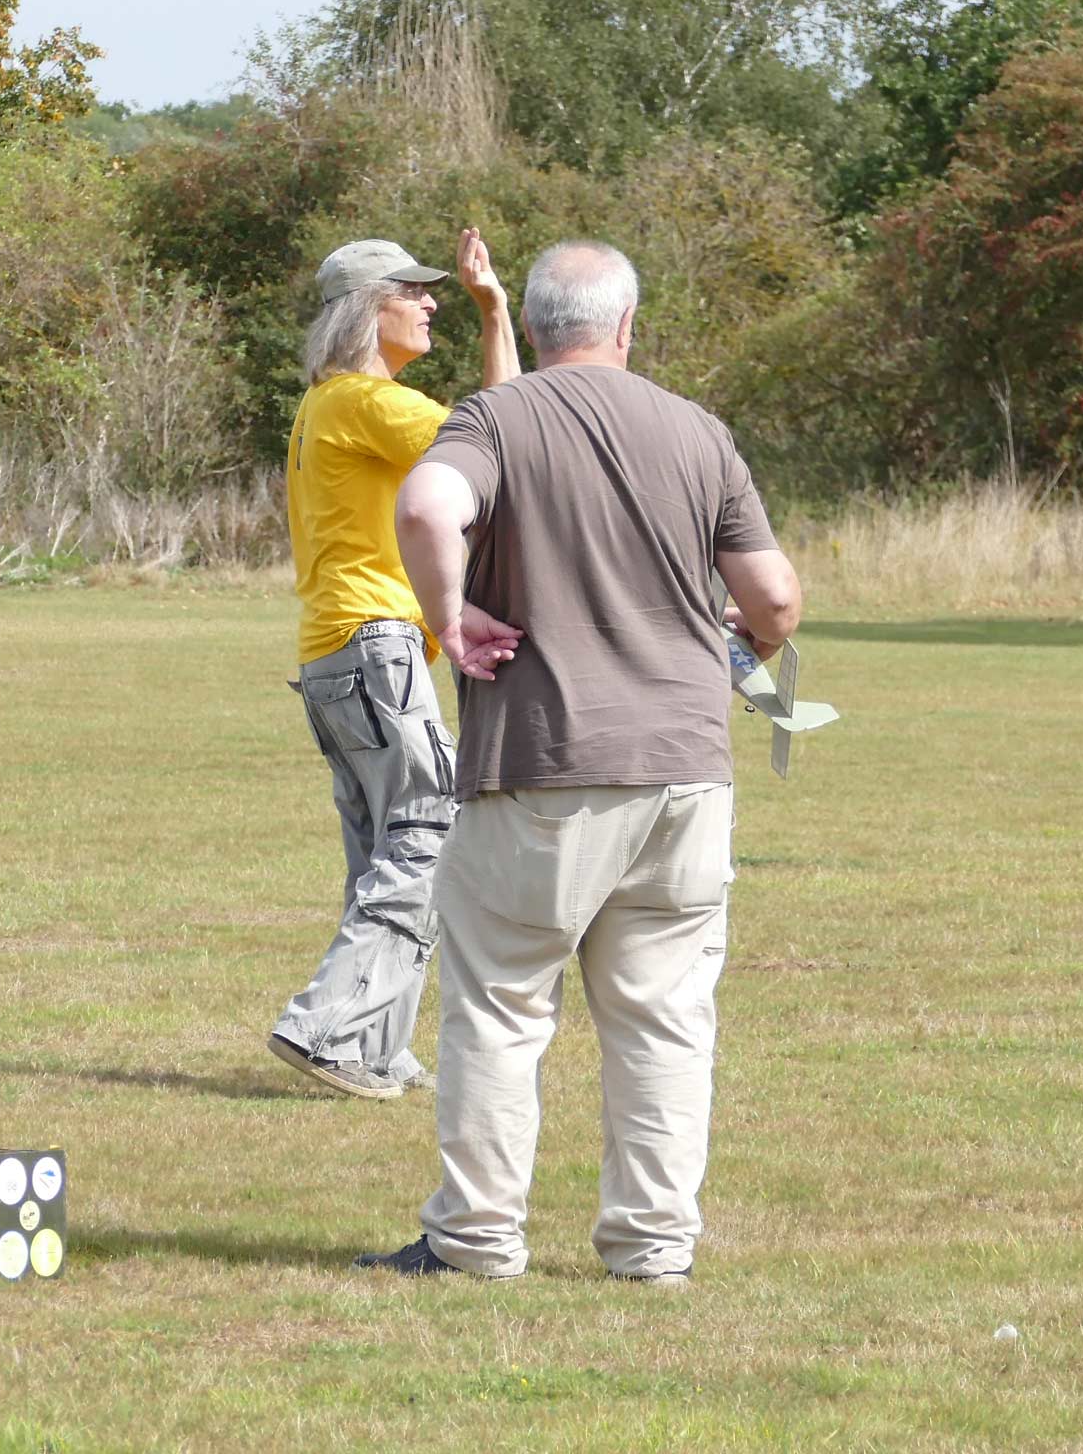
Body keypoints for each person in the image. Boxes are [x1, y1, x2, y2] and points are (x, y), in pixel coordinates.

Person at [358, 239, 802, 1281]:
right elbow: (774, 597)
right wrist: (752, 648)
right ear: (628, 326)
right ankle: (653, 1250)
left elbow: (427, 507)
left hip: (544, 761)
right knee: (663, 1022)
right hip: (688, 770)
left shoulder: (497, 418)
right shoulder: (701, 432)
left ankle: (475, 1241)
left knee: (505, 1009)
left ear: (543, 326)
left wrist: (449, 614)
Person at [267, 229, 519, 1101]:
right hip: (376, 647)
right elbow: (512, 439)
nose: (430, 300)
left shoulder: (329, 406)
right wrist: (497, 313)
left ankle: (374, 1045)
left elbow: (498, 433)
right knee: (428, 839)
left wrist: (492, 315)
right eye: (412, 289)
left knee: (388, 850)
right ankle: (322, 1029)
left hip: (340, 650)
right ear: (368, 310)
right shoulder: (365, 402)